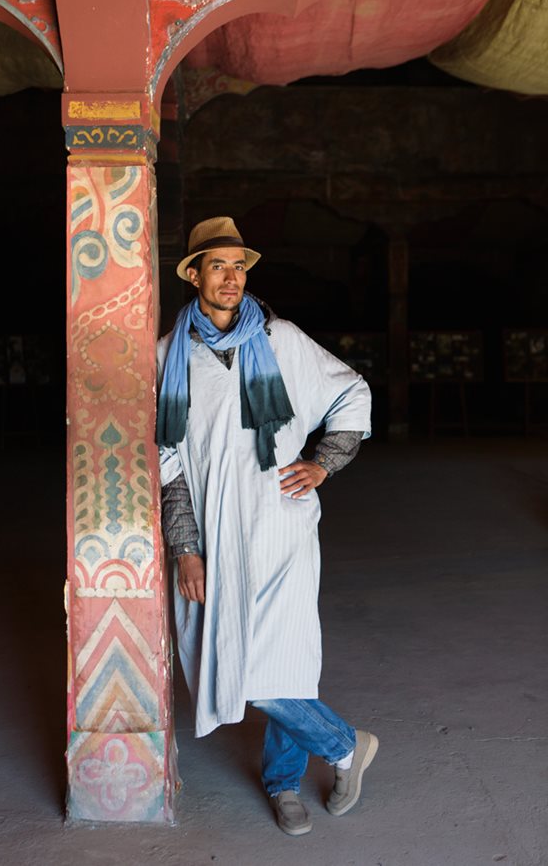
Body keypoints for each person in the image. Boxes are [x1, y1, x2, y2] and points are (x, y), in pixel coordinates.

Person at [157, 216, 378, 836]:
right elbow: (169, 463)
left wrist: (322, 464)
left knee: (281, 663)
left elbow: (351, 392)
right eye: (218, 265)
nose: (231, 277)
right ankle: (344, 745)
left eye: (239, 266)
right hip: (216, 537)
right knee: (231, 660)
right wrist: (186, 549)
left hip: (281, 526)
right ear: (195, 273)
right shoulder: (170, 356)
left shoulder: (281, 339)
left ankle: (283, 784)